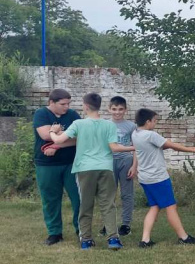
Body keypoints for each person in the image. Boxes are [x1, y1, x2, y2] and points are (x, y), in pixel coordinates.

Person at [48, 93, 135, 250]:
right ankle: (113, 239)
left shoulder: (78, 124)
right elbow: (114, 147)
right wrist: (134, 147)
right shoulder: (109, 125)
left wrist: (52, 131)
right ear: (100, 106)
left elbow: (58, 140)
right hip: (105, 167)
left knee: (86, 204)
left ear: (85, 106)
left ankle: (86, 240)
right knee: (108, 204)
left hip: (85, 168)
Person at [130, 108, 195, 248]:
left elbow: (155, 147)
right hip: (158, 178)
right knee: (170, 207)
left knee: (154, 207)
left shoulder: (135, 134)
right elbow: (172, 146)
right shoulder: (151, 135)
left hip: (145, 178)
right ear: (148, 121)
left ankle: (145, 240)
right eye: (154, 121)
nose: (155, 123)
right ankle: (184, 238)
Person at [32, 88, 82, 245]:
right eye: (63, 104)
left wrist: (57, 143)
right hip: (46, 164)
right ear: (51, 102)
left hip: (71, 163)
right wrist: (67, 134)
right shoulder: (41, 114)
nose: (67, 107)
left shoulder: (73, 115)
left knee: (78, 197)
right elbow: (46, 135)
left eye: (68, 104)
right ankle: (54, 233)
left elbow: (81, 136)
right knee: (50, 198)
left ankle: (82, 230)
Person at [109, 96, 136, 236]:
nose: (117, 112)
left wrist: (134, 166)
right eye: (114, 109)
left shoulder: (131, 126)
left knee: (126, 194)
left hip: (126, 161)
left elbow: (136, 147)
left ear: (125, 110)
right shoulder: (105, 124)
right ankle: (108, 224)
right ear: (109, 109)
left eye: (120, 109)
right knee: (109, 194)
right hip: (109, 161)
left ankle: (126, 224)